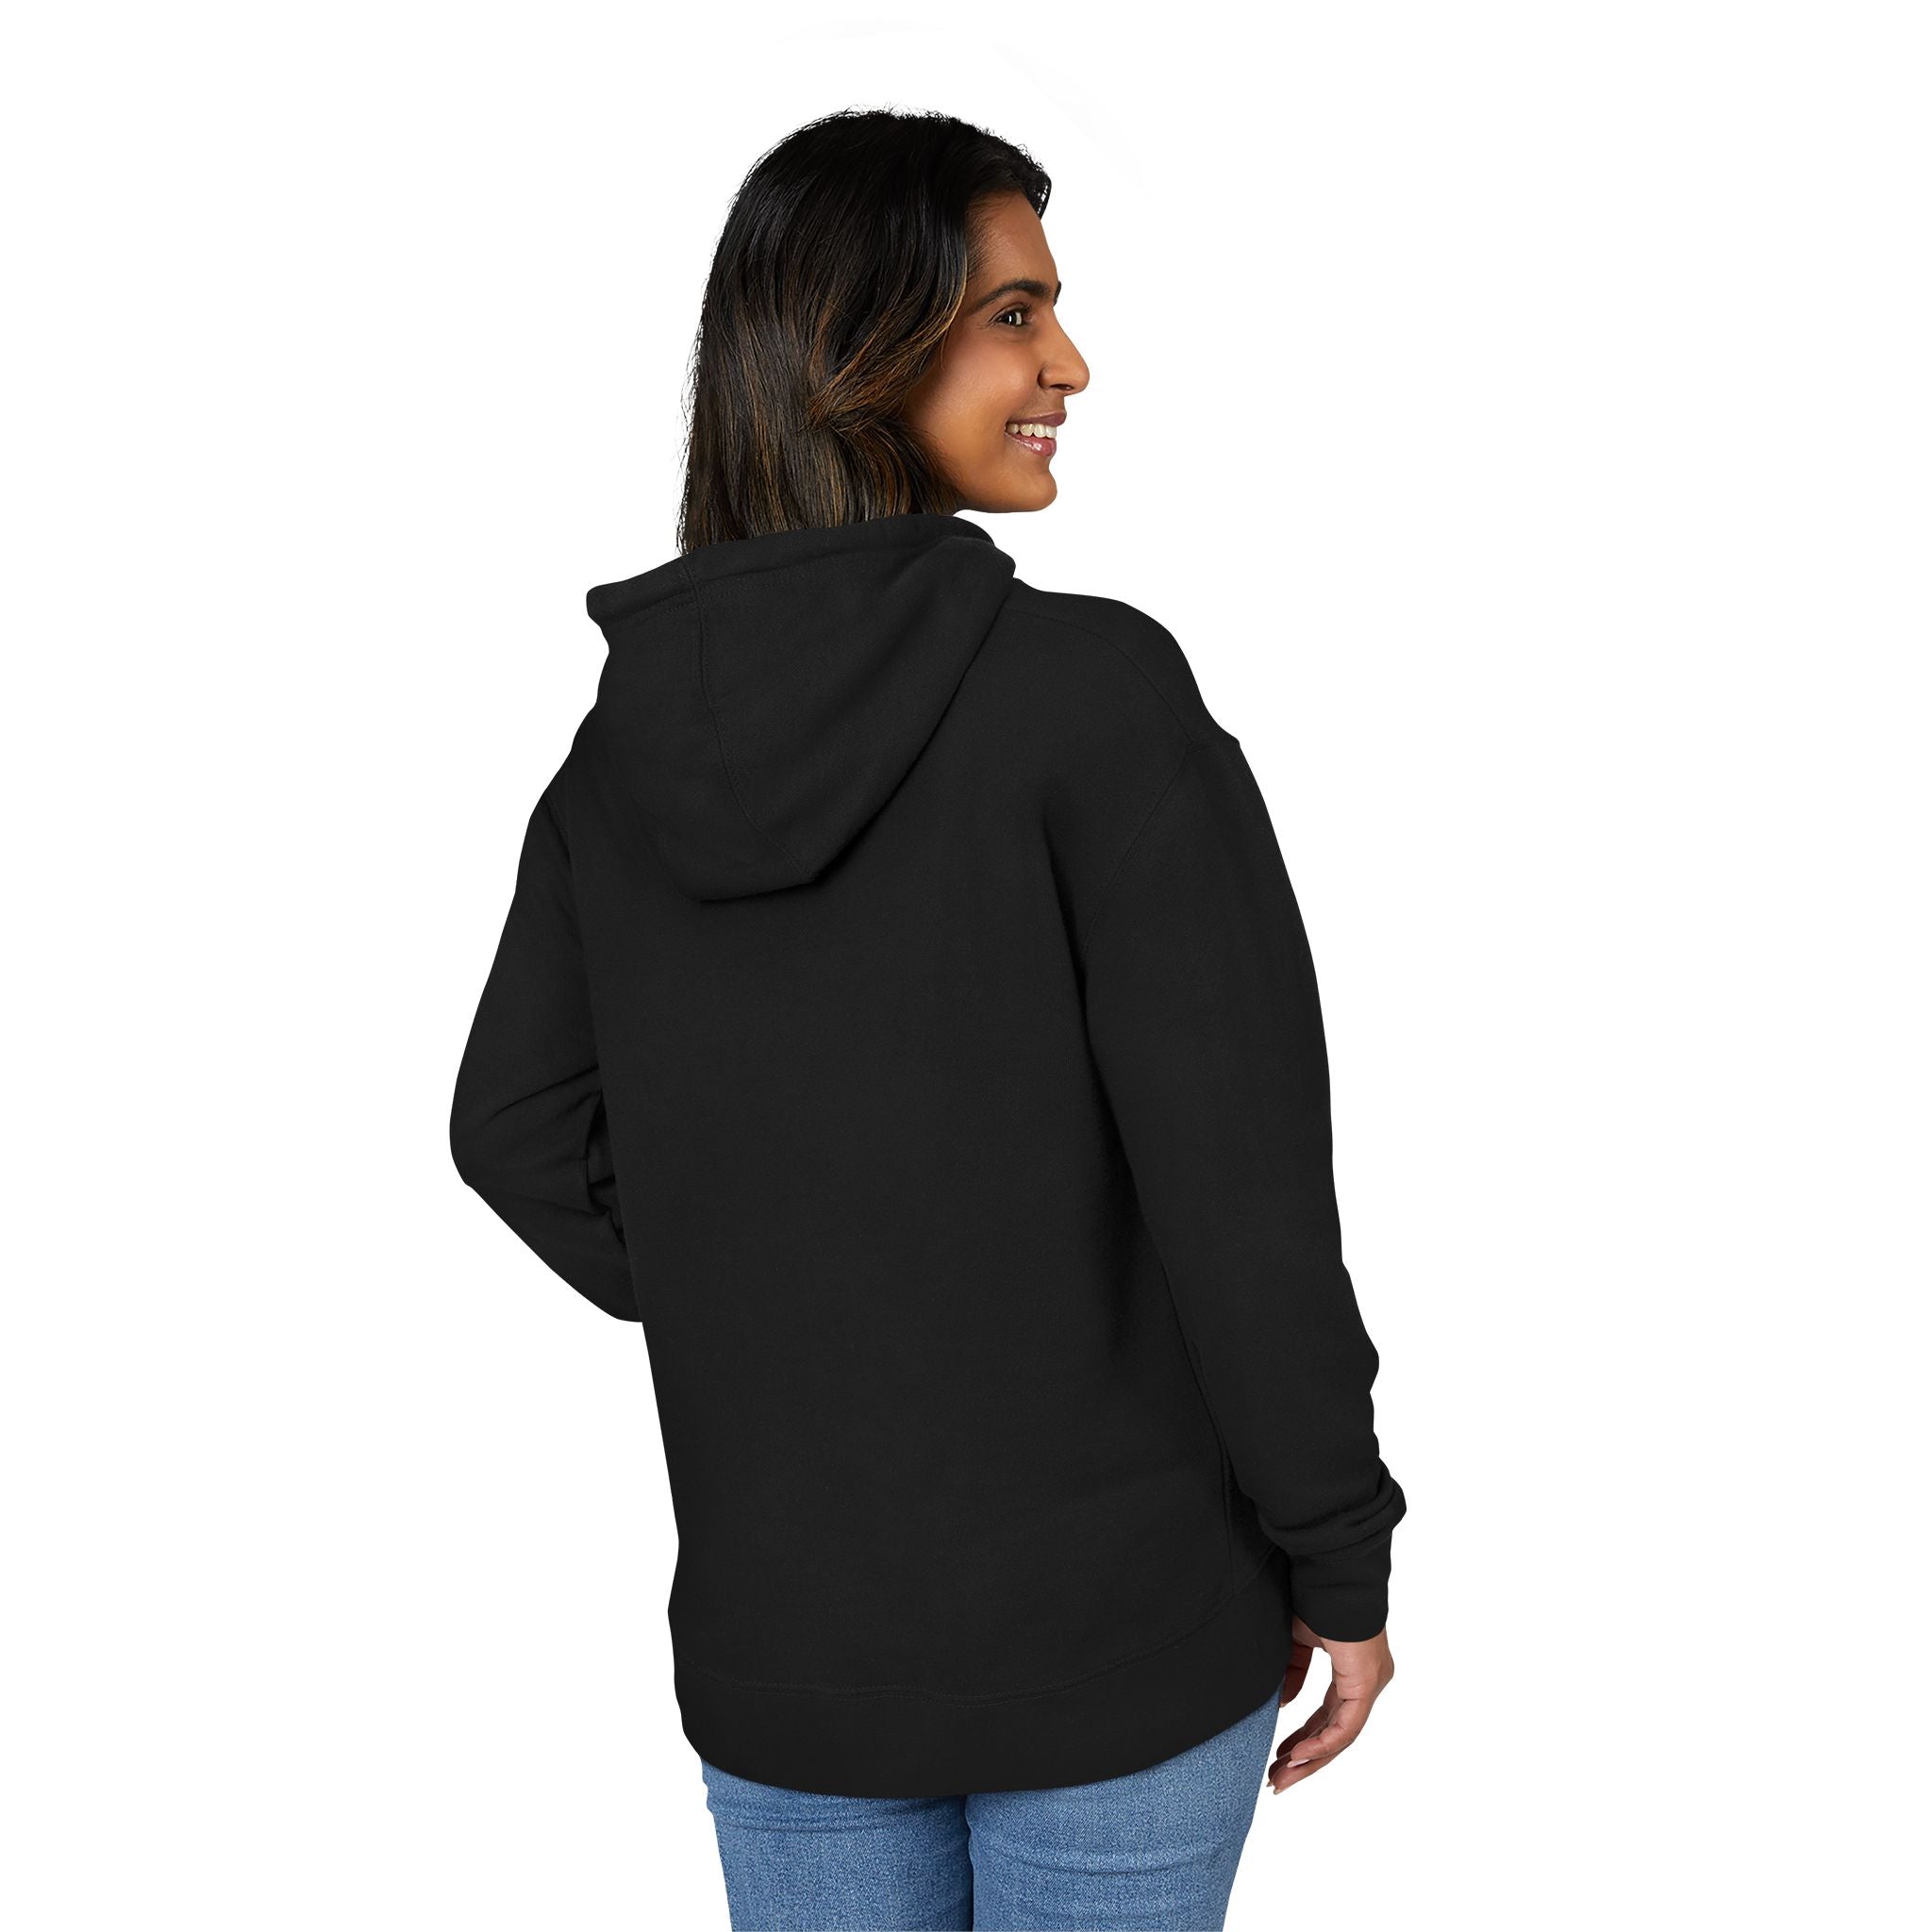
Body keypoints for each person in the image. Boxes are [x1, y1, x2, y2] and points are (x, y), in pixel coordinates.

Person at [450, 107, 1407, 1932]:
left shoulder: (627, 747)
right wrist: (1340, 1555)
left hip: (790, 1642)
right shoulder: (1094, 696)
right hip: (1123, 1630)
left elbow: (514, 1129)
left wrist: (779, 1301)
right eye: (1014, 315)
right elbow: (1245, 1200)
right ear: (859, 348)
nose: (1071, 365)